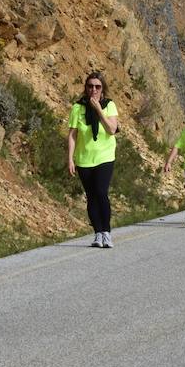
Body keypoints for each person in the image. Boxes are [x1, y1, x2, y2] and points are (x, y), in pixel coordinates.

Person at [68, 71, 120, 249]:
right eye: (90, 86)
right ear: (85, 88)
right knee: (90, 196)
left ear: (102, 88)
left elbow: (112, 129)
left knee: (101, 191)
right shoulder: (78, 108)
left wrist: (98, 109)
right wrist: (70, 159)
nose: (93, 90)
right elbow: (73, 135)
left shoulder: (109, 105)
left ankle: (106, 232)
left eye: (97, 87)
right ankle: (97, 232)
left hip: (105, 156)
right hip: (84, 159)